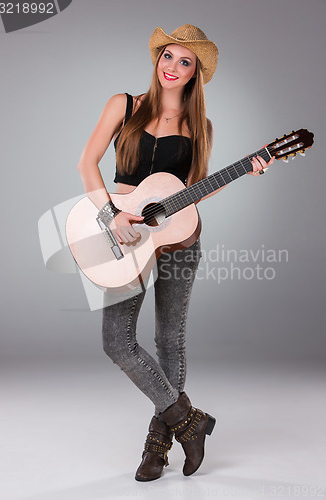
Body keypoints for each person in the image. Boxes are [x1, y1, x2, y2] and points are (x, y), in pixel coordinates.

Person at [77, 24, 274, 482]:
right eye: (168, 56)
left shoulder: (199, 126)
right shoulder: (124, 105)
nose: (173, 67)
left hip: (179, 240)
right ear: (157, 59)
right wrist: (112, 214)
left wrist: (247, 169)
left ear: (195, 73)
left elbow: (190, 192)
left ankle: (157, 445)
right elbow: (87, 163)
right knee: (117, 342)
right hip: (122, 233)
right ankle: (189, 420)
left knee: (170, 340)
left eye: (185, 62)